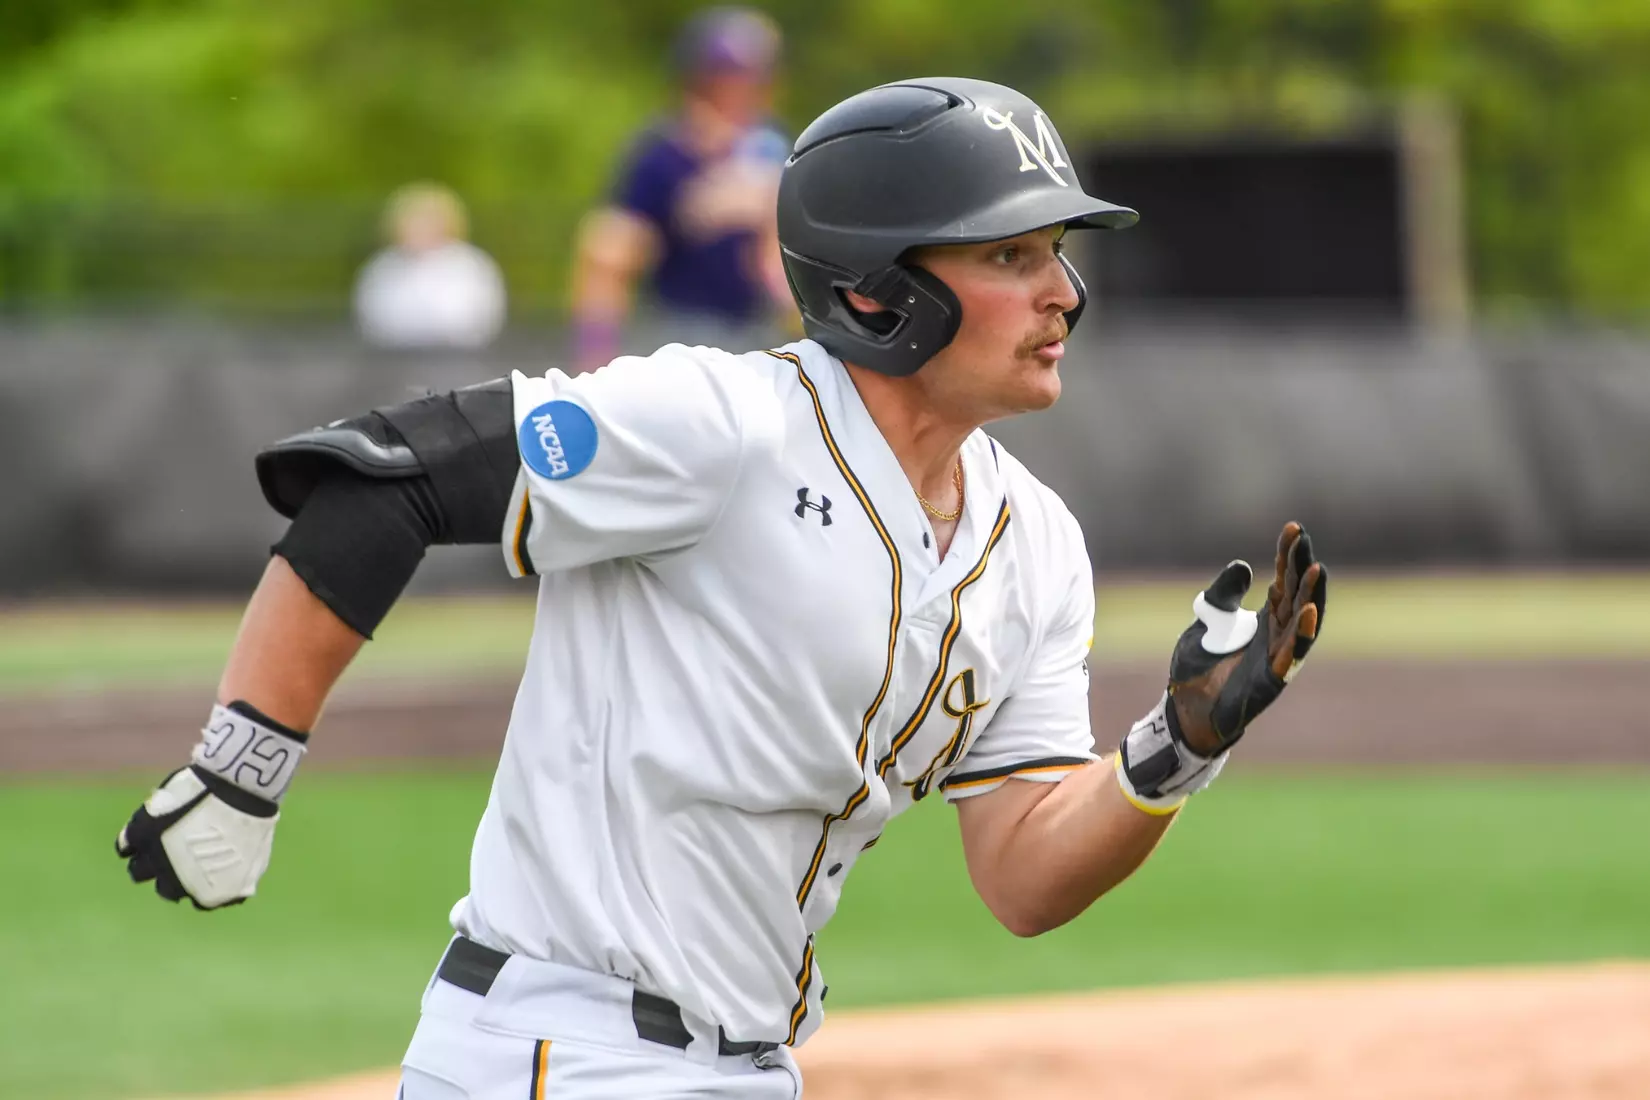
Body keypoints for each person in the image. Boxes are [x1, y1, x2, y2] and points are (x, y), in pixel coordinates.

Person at [115, 77, 1328, 1099]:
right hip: (558, 1053)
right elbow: (385, 481)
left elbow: (1020, 872)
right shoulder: (720, 423)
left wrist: (1173, 750)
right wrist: (241, 766)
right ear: (873, 289)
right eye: (1013, 254)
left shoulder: (1037, 545)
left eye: (1057, 254)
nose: (1065, 292)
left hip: (743, 1066)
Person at [568, 7, 791, 372]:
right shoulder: (663, 154)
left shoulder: (773, 147)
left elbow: (779, 264)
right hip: (681, 332)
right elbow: (608, 253)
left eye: (749, 79)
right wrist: (595, 362)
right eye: (724, 79)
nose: (736, 92)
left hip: (760, 335)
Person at [354, 182, 507, 350]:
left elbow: (479, 318)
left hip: (460, 360)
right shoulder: (382, 267)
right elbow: (373, 318)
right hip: (395, 359)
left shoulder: (471, 265)